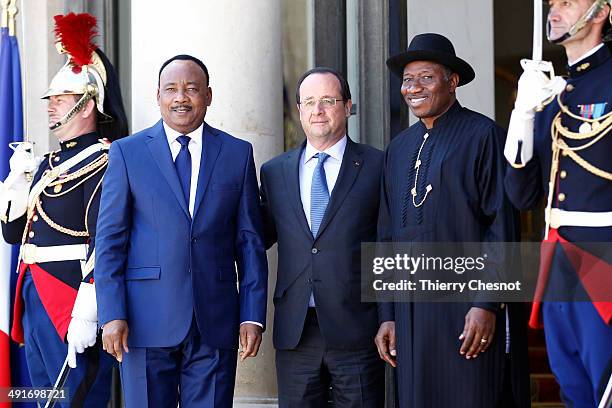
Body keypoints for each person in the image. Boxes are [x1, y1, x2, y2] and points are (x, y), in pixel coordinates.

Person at [94, 54, 268, 407]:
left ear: (208, 95)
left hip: (215, 321)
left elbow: (249, 242)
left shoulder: (237, 153)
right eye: (171, 89)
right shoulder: (127, 154)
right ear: (157, 96)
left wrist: (253, 315)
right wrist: (111, 313)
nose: (181, 98)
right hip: (143, 322)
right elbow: (110, 241)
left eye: (191, 89)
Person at [375, 33, 530, 407]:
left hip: (466, 312)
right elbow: (385, 235)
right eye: (407, 80)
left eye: (425, 77)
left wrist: (487, 303)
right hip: (410, 316)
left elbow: (503, 228)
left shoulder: (485, 136)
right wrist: (388, 314)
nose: (413, 88)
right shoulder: (398, 149)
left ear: (452, 80)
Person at [0, 13, 128, 407]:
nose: (52, 108)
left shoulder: (106, 162)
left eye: (62, 100)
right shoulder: (47, 163)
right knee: (44, 397)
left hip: (72, 298)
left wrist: (91, 306)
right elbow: (13, 235)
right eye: (52, 100)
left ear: (88, 105)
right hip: (34, 290)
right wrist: (16, 190)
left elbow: (105, 239)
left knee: (77, 399)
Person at [504, 0, 612, 406]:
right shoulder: (553, 93)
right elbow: (522, 195)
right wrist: (522, 114)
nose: (555, 9)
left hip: (605, 265)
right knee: (574, 394)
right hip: (559, 267)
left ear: (601, 12)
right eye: (552, 2)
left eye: (569, 1)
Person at [259, 67, 385, 407]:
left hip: (358, 328)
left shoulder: (377, 166)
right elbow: (258, 238)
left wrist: (389, 318)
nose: (318, 110)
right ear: (298, 110)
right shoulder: (274, 172)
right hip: (296, 331)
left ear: (347, 106)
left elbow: (389, 245)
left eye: (328, 101)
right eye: (309, 102)